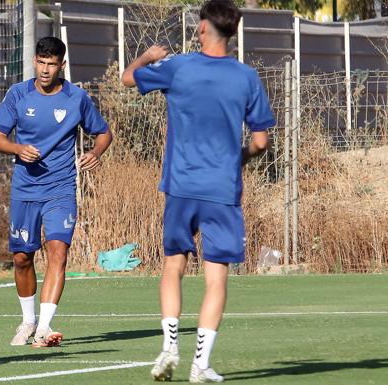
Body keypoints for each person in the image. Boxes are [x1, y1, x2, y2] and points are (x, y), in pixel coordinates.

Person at [121, 0, 275, 382]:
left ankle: (169, 346)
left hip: (181, 186)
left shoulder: (179, 67)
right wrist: (237, 158)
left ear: (203, 27)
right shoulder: (246, 78)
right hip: (222, 189)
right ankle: (200, 364)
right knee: (216, 277)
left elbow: (126, 78)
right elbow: (261, 141)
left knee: (173, 266)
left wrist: (145, 56)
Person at [0, 36, 112, 347]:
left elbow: (103, 133)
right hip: (25, 189)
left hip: (61, 188)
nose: (45, 70)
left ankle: (44, 328)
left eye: (52, 64)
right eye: (41, 63)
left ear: (62, 65)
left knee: (58, 251)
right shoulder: (18, 94)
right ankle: (28, 321)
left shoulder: (77, 98)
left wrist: (96, 153)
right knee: (21, 257)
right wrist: (18, 148)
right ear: (35, 62)